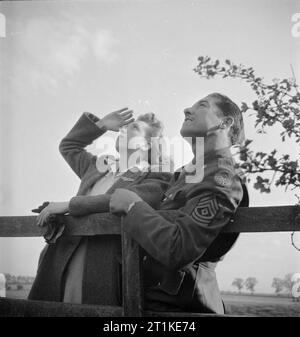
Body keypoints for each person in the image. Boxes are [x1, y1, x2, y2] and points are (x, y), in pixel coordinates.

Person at [109, 93, 249, 314]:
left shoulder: (223, 178)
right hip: (146, 300)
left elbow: (179, 248)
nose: (186, 109)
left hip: (182, 309)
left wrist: (133, 207)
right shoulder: (186, 173)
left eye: (202, 105)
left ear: (225, 122)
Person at [28, 109, 172, 305]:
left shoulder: (156, 176)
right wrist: (101, 125)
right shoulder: (97, 167)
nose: (125, 129)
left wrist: (69, 205)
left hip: (103, 266)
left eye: (135, 128)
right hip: (59, 260)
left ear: (147, 144)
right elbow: (69, 146)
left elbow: (120, 200)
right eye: (126, 126)